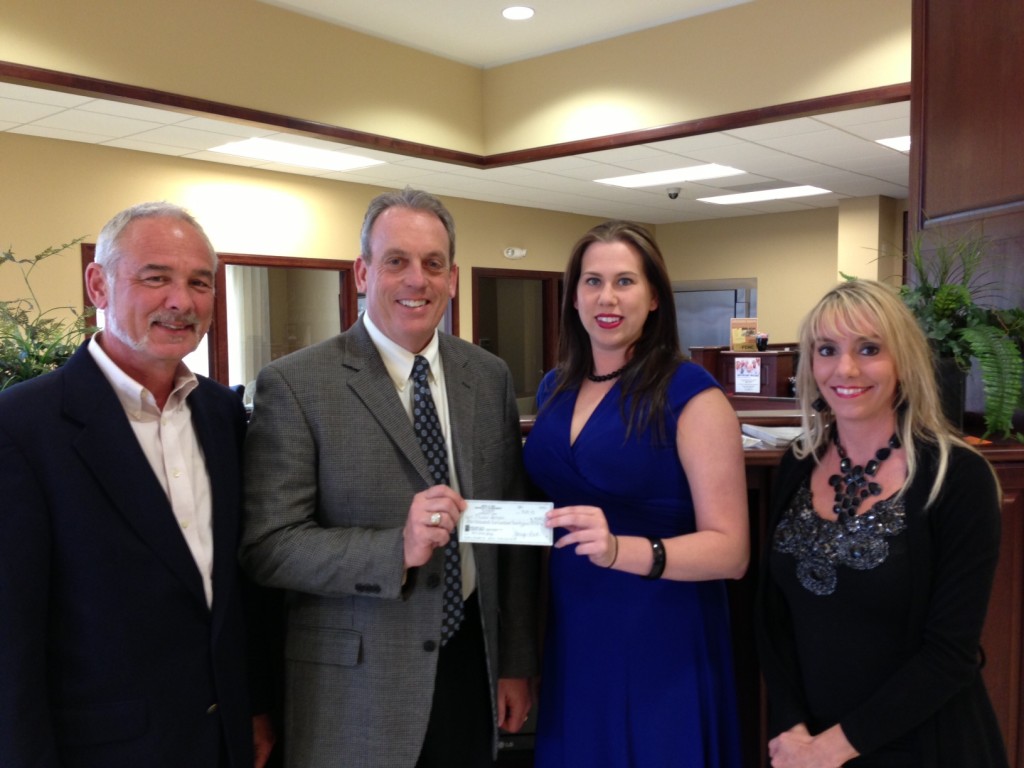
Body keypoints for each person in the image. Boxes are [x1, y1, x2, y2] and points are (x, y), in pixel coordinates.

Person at [240, 187, 539, 768]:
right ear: (362, 271)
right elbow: (267, 547)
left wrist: (516, 660)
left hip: (468, 665)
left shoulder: (488, 376)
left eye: (433, 264)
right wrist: (394, 550)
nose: (416, 280)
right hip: (355, 685)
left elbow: (511, 534)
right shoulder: (297, 384)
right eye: (396, 261)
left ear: (452, 278)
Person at [0, 201, 275, 767]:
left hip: (225, 743)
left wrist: (255, 705)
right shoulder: (23, 427)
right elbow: (12, 640)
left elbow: (236, 591)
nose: (182, 301)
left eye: (200, 282)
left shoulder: (223, 415)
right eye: (156, 278)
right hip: (105, 749)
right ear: (98, 284)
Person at [522, 220, 749, 767]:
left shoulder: (692, 393)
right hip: (574, 621)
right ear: (573, 296)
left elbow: (732, 551)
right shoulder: (556, 386)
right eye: (592, 281)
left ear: (653, 299)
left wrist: (620, 549)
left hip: (657, 626)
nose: (607, 297)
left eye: (625, 282)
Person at [756, 279, 1008, 767]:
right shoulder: (798, 463)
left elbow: (949, 654)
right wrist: (793, 732)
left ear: (903, 361)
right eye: (827, 349)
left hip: (924, 744)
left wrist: (830, 750)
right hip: (806, 746)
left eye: (869, 348)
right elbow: (772, 620)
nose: (845, 368)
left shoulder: (957, 478)